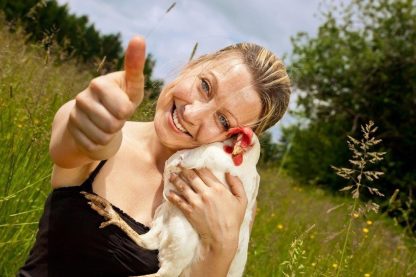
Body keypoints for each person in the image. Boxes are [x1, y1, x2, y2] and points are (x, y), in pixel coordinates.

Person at [18, 36, 291, 276]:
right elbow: (70, 143)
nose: (193, 114)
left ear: (237, 140)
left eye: (222, 120)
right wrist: (86, 125)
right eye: (205, 86)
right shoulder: (106, 137)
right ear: (192, 65)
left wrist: (222, 246)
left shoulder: (226, 203)